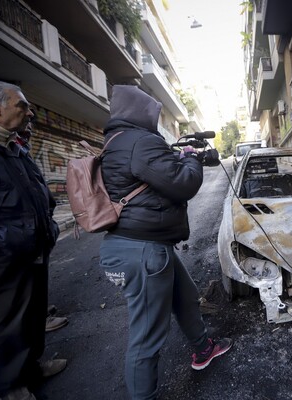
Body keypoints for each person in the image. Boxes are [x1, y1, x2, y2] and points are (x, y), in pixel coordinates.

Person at [98, 85, 232, 400]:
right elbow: (181, 182)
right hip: (141, 251)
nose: (156, 120)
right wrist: (190, 158)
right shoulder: (138, 142)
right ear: (139, 112)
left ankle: (203, 350)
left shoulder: (121, 142)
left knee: (185, 298)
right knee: (146, 338)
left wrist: (188, 157)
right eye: (153, 114)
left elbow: (161, 172)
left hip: (148, 247)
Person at [0, 80, 66, 400]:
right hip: (2, 254)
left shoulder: (14, 144)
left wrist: (47, 223)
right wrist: (0, 240)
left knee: (34, 313)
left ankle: (31, 368)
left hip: (32, 246)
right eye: (21, 105)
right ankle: (10, 386)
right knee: (5, 322)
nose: (28, 111)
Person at [16, 119, 69, 334]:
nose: (29, 120)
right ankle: (35, 320)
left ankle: (38, 313)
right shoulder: (2, 147)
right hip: (18, 232)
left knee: (36, 278)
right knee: (20, 286)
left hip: (34, 229)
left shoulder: (19, 145)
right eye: (23, 110)